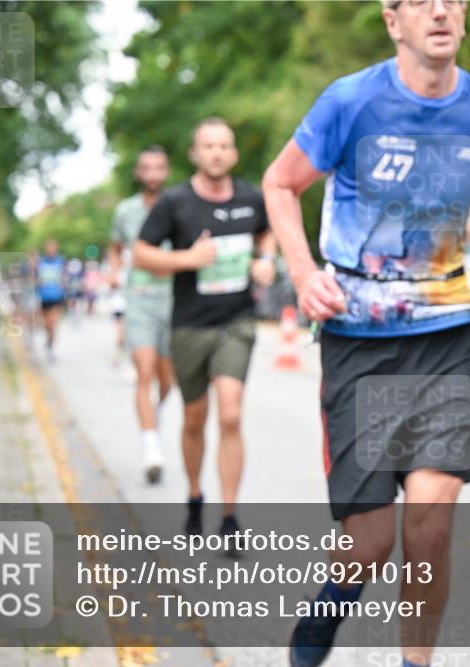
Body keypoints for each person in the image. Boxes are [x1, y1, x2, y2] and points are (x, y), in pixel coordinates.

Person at [262, 1, 470, 664]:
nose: (439, 11)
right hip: (359, 341)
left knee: (431, 527)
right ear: (393, 21)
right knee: (369, 542)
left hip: (445, 338)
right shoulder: (350, 101)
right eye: (421, 0)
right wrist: (303, 273)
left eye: (452, 0)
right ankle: (330, 603)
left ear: (464, 17)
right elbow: (279, 183)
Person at [134, 118, 276, 547]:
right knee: (195, 418)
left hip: (236, 321)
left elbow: (267, 235)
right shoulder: (175, 202)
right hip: (189, 324)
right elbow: (141, 254)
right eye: (208, 146)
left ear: (233, 154)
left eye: (224, 146)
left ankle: (229, 517)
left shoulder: (253, 198)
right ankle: (195, 496)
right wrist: (187, 259)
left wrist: (265, 260)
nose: (217, 153)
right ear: (195, 154)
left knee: (230, 413)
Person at [108, 146, 174, 485]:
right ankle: (151, 448)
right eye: (146, 168)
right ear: (138, 173)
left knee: (166, 380)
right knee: (144, 372)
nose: (152, 174)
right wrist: (115, 272)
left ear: (166, 172)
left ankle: (154, 416)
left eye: (158, 168)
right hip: (139, 299)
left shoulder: (177, 205)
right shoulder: (125, 211)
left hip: (174, 300)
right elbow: (116, 246)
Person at [36, 238, 66, 363]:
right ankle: (48, 342)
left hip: (56, 297)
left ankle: (51, 348)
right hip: (43, 297)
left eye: (53, 247)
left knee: (53, 324)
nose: (51, 249)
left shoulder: (60, 261)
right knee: (46, 325)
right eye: (49, 247)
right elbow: (35, 278)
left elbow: (64, 278)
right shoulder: (40, 262)